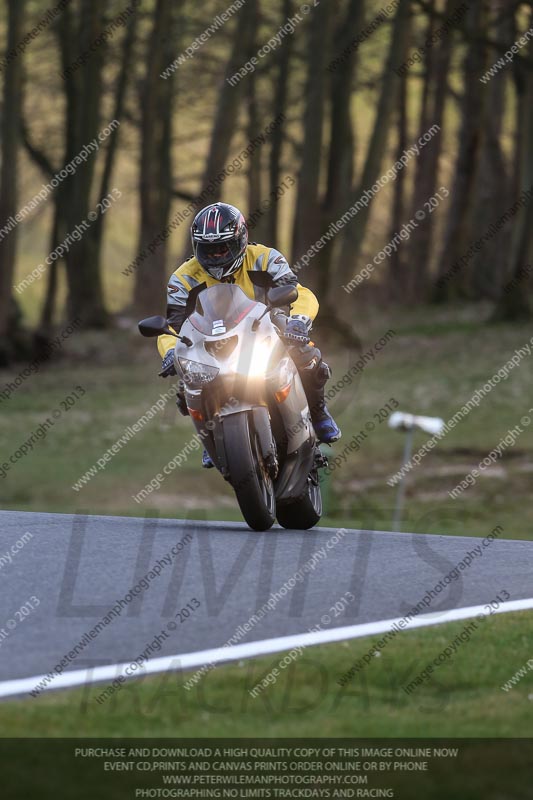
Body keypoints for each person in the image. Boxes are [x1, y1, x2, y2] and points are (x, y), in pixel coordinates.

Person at [158, 202, 341, 468]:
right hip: (209, 343)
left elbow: (299, 293)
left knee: (307, 355)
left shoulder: (265, 258)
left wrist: (299, 321)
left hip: (265, 331)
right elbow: (173, 326)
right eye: (208, 250)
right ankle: (211, 438)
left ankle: (317, 411)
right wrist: (171, 351)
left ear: (241, 239)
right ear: (196, 247)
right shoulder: (182, 279)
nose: (217, 256)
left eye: (223, 248)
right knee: (188, 383)